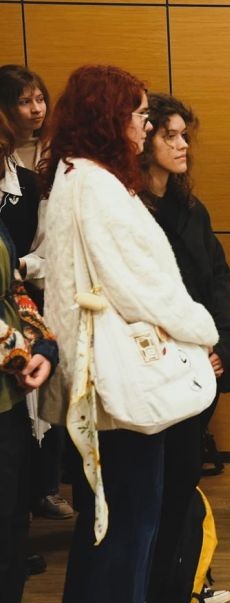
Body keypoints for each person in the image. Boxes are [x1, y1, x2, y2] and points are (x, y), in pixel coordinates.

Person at [38, 64, 217, 603]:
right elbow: (139, 284)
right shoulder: (96, 186)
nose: (145, 125)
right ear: (110, 117)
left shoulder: (77, 175)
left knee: (120, 509)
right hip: (116, 376)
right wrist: (200, 329)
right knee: (127, 513)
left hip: (101, 372)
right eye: (139, 114)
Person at [139, 92, 230, 603]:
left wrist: (222, 343)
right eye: (170, 136)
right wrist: (196, 347)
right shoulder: (130, 209)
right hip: (160, 365)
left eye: (185, 136)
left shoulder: (190, 207)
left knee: (184, 480)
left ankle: (185, 585)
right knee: (162, 486)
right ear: (142, 141)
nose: (183, 146)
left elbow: (217, 279)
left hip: (204, 363)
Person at [0, 64, 75, 523]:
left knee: (36, 402)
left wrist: (21, 272)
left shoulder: (31, 180)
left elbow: (47, 248)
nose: (36, 109)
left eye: (40, 99)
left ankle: (38, 493)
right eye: (24, 101)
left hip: (26, 301)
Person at [0, 108, 58, 603]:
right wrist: (19, 351)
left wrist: (41, 344)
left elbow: (12, 290)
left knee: (11, 523)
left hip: (8, 396)